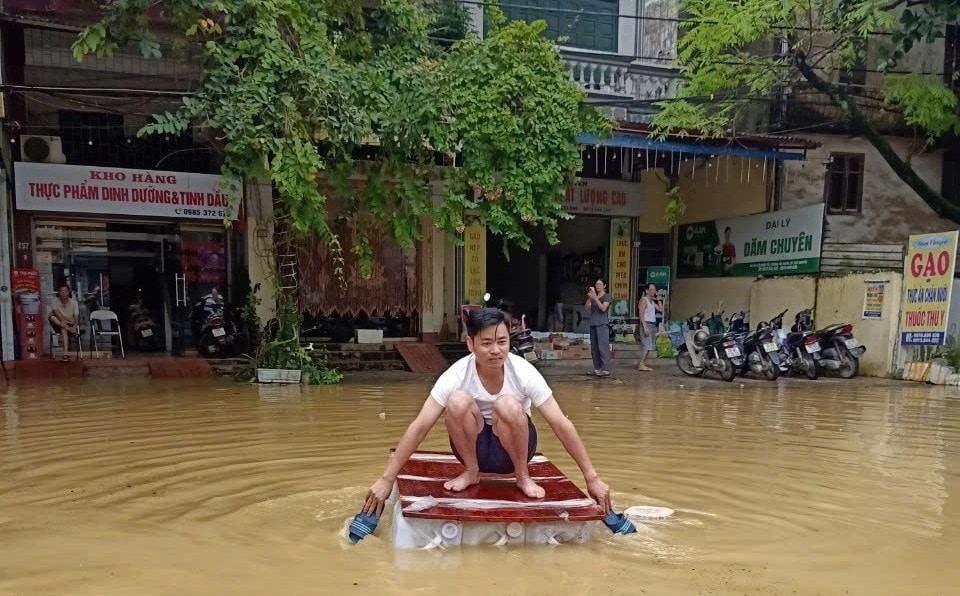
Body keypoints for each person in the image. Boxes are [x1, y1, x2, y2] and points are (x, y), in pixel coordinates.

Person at [361, 308, 611, 517]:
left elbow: (560, 423)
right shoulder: (456, 375)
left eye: (502, 342)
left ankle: (523, 477)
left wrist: (592, 477)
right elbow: (420, 426)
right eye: (487, 343)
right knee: (457, 400)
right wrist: (386, 479)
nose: (496, 350)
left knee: (508, 404)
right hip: (475, 449)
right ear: (470, 344)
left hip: (513, 450)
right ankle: (471, 472)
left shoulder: (523, 372)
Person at [585, 279, 611, 377]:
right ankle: (597, 369)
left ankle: (605, 369)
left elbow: (603, 308)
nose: (597, 285)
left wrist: (595, 298)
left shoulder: (606, 296)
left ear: (604, 285)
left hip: (602, 324)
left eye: (600, 284)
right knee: (594, 348)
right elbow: (587, 307)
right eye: (596, 284)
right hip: (593, 324)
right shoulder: (593, 296)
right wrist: (590, 297)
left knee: (602, 347)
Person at [49, 284, 80, 360]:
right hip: (58, 322)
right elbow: (56, 312)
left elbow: (76, 316)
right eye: (61, 291)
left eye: (65, 291)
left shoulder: (74, 302)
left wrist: (75, 327)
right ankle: (72, 332)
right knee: (52, 317)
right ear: (59, 292)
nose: (63, 293)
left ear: (68, 292)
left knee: (63, 329)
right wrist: (63, 321)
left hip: (70, 323)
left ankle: (65, 354)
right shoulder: (55, 301)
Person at [637, 283, 662, 372]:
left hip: (652, 324)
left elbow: (661, 309)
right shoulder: (643, 300)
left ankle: (643, 363)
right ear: (647, 291)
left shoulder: (651, 301)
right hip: (646, 324)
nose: (654, 291)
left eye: (654, 289)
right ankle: (641, 364)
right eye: (652, 289)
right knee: (647, 346)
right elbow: (641, 314)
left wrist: (658, 299)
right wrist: (644, 326)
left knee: (649, 346)